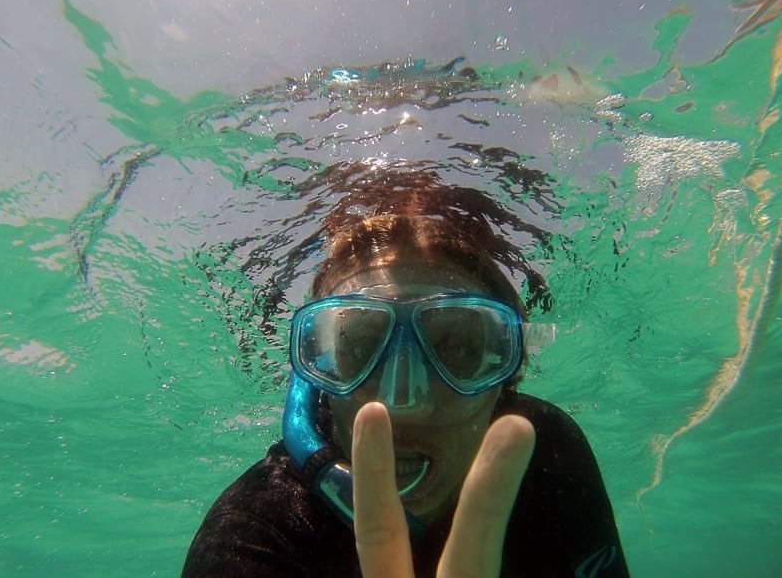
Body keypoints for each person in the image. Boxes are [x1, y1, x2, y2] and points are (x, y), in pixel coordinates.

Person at [182, 162, 629, 577]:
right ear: (318, 369)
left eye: (456, 346)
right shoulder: (256, 535)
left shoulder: (547, 459)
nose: (403, 402)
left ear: (506, 373)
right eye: (359, 346)